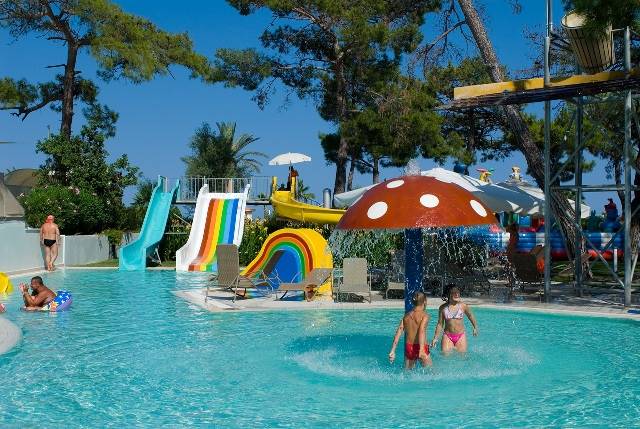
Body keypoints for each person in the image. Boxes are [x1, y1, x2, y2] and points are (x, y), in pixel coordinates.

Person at [388, 292, 432, 369]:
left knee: (408, 373)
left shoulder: (406, 316)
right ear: (425, 301)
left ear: (412, 301)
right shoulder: (424, 315)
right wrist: (421, 349)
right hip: (421, 346)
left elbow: (399, 331)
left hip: (409, 347)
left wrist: (393, 350)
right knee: (430, 371)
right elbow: (421, 331)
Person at [431, 285, 478, 354]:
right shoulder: (443, 308)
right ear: (448, 294)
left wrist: (475, 327)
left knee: (462, 355)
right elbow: (440, 324)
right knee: (445, 355)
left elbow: (470, 316)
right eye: (454, 292)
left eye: (458, 292)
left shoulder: (463, 306)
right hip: (447, 336)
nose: (457, 294)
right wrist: (435, 338)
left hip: (461, 336)